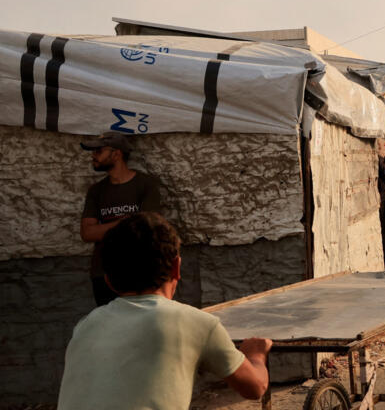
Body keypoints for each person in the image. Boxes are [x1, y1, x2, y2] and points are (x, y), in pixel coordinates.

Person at [57, 213, 272, 409]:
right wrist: (256, 354)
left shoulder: (86, 325)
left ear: (108, 281)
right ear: (176, 268)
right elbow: (255, 387)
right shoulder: (197, 323)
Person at [79, 132, 161, 306]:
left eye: (98, 151)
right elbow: (87, 233)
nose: (93, 156)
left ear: (116, 154)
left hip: (139, 270)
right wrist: (128, 221)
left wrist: (105, 228)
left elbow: (146, 226)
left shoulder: (146, 185)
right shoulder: (96, 190)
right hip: (103, 272)